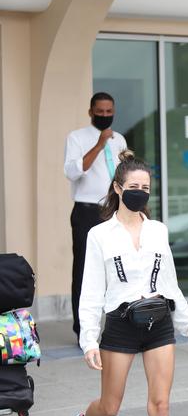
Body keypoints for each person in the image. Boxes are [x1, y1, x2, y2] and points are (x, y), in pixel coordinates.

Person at [69, 150, 188, 416]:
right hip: (121, 324)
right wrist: (89, 339)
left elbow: (170, 283)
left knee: (160, 406)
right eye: (133, 187)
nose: (140, 192)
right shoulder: (99, 235)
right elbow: (91, 290)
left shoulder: (158, 230)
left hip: (157, 321)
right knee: (110, 404)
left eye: (146, 187)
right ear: (117, 188)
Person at [64, 92, 127, 341]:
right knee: (84, 270)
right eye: (99, 111)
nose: (104, 116)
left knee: (120, 266)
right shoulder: (77, 138)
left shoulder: (119, 139)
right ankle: (84, 331)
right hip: (87, 211)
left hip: (115, 209)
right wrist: (100, 144)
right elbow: (72, 172)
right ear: (91, 111)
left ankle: (121, 324)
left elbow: (122, 173)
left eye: (108, 112)